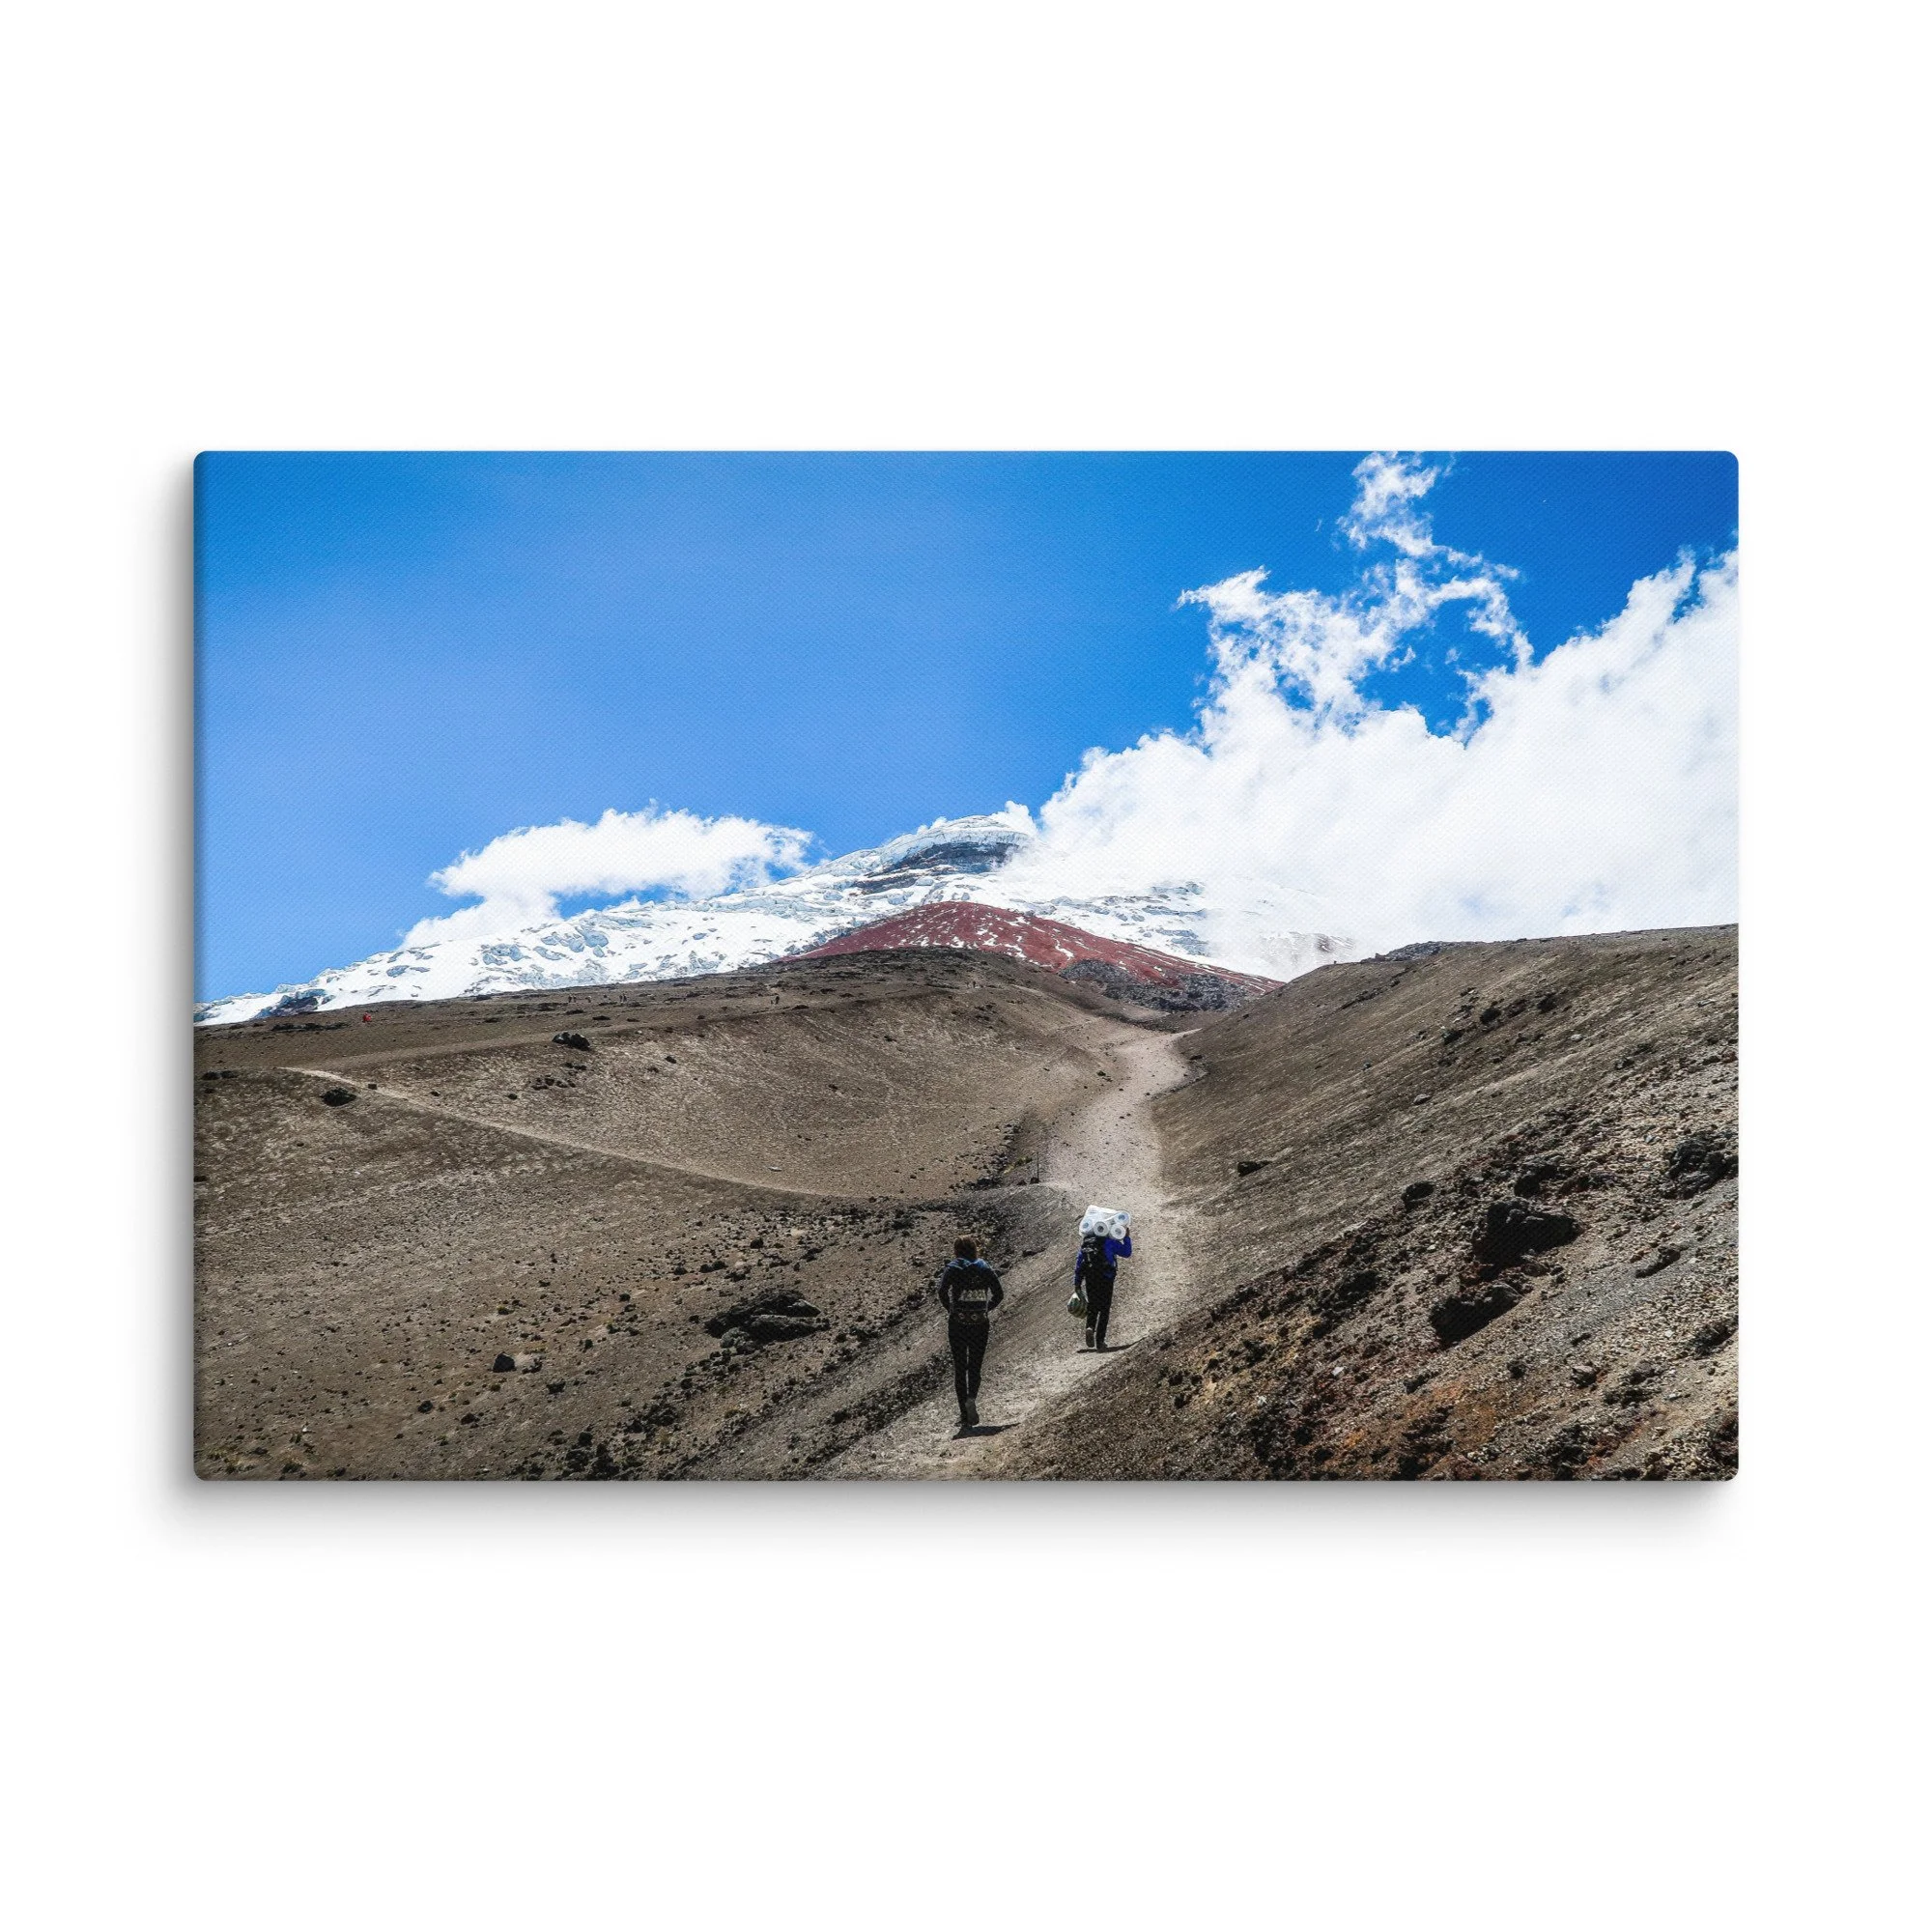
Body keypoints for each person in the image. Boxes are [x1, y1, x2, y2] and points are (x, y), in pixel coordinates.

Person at [934, 1236, 1004, 1430]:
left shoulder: (953, 1268)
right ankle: (971, 1397)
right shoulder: (984, 1267)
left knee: (959, 1368)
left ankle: (964, 1416)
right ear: (974, 1249)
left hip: (958, 1324)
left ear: (956, 1250)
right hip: (980, 1323)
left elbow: (941, 1291)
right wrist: (986, 1308)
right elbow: (999, 1293)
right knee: (975, 1365)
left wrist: (951, 1309)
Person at [1074, 1226, 1132, 1351]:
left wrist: (1077, 1283)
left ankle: (1090, 1327)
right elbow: (1127, 1252)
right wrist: (1126, 1237)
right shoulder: (1109, 1242)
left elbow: (1079, 1263)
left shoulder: (1087, 1244)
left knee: (1093, 1306)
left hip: (1090, 1278)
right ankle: (1100, 1342)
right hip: (1106, 1277)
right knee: (1104, 1309)